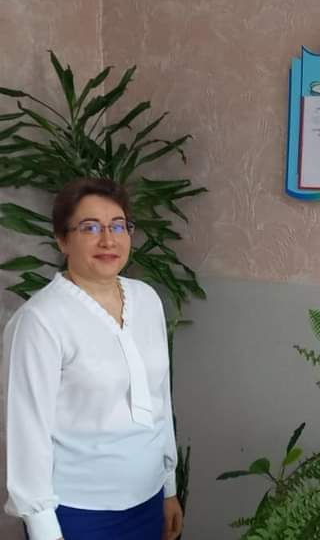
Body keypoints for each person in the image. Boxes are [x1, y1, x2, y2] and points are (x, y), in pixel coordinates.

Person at [2, 178, 184, 540]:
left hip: (148, 498)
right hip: (79, 513)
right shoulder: (41, 320)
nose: (108, 240)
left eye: (118, 226)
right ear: (62, 239)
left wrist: (168, 487)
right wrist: (44, 529)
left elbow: (160, 400)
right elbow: (28, 434)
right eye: (90, 227)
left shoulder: (147, 299)